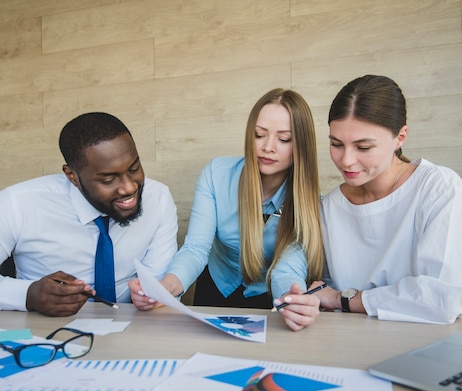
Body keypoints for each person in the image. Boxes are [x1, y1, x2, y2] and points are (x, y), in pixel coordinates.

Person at [0, 112, 178, 317]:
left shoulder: (159, 198)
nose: (129, 187)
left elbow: (159, 283)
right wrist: (28, 294)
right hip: (45, 335)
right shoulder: (19, 204)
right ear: (72, 176)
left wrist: (150, 294)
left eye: (134, 168)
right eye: (108, 179)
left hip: (135, 330)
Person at [129, 88, 325, 331]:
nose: (268, 147)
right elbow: (196, 248)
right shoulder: (216, 175)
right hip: (216, 287)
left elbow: (288, 267)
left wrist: (292, 299)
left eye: (284, 139)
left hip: (270, 296)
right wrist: (166, 287)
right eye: (259, 135)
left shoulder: (309, 201)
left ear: (301, 145)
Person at [312, 74, 462, 324]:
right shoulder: (330, 207)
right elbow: (326, 292)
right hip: (348, 342)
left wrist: (344, 300)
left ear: (400, 137)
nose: (346, 160)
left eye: (363, 147)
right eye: (336, 144)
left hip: (425, 344)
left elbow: (444, 300)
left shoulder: (438, 187)